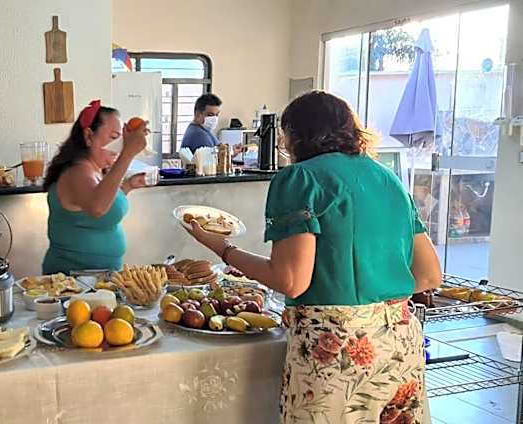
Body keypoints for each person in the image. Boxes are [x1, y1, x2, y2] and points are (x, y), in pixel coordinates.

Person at [186, 91, 442, 423]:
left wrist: (223, 248)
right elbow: (429, 275)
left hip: (336, 348)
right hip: (400, 344)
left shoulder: (300, 177)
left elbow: (291, 281)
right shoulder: (388, 178)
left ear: (296, 135)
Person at [41, 100, 149, 274]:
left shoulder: (96, 170)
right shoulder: (77, 172)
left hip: (98, 282)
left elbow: (104, 202)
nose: (119, 147)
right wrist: (128, 154)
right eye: (114, 138)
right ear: (89, 136)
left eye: (121, 140)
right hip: (72, 283)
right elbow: (97, 207)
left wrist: (127, 186)